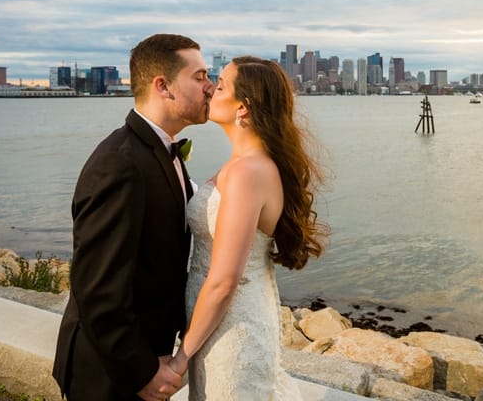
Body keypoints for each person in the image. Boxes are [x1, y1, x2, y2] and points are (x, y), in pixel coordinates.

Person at [52, 34, 214, 401]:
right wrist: (141, 372)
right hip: (109, 375)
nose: (211, 87)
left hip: (144, 353)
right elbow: (97, 287)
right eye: (200, 76)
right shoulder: (120, 164)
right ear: (164, 86)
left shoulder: (160, 152)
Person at [169, 56, 328, 399]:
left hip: (232, 330)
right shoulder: (244, 164)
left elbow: (225, 281)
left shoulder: (248, 172)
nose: (210, 87)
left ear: (243, 106)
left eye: (221, 85)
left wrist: (181, 357)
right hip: (216, 325)